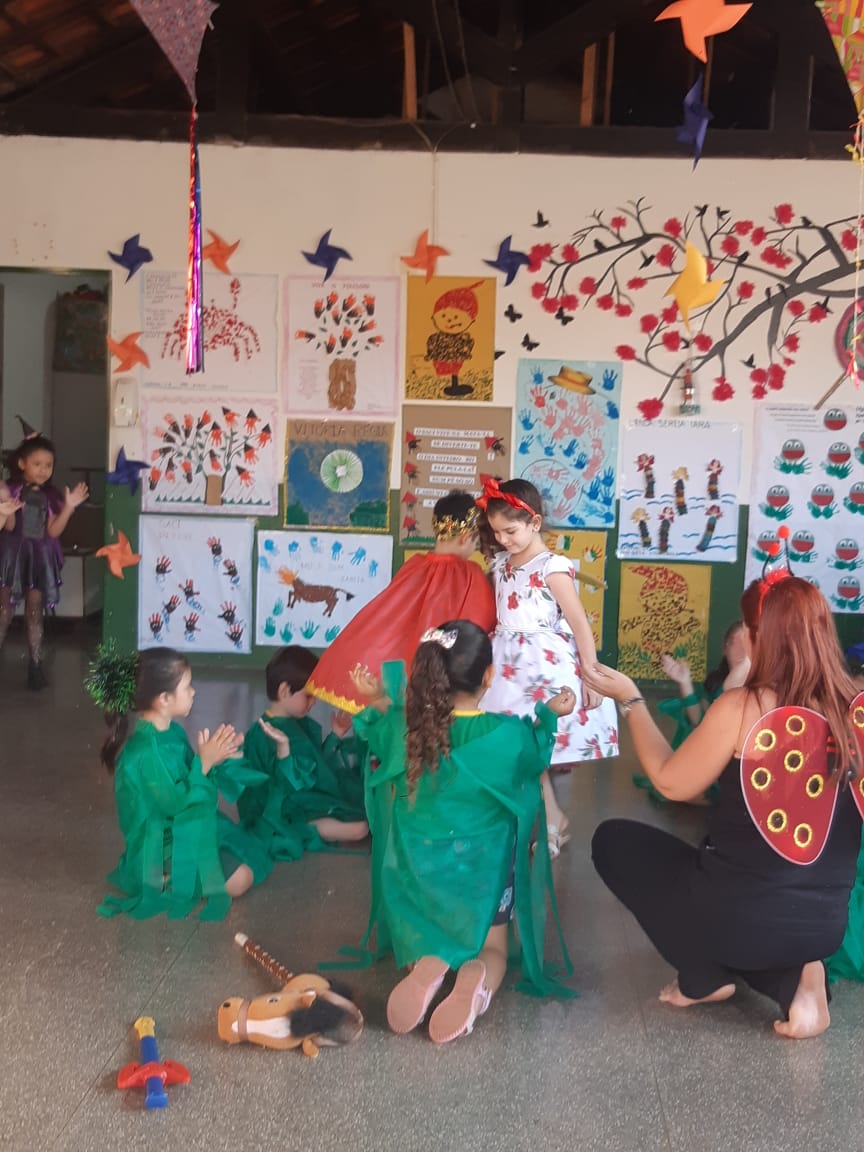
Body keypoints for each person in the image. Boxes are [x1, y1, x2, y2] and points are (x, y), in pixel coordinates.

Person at [585, 575, 863, 1039]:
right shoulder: (854, 707)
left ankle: (704, 978)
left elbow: (671, 782)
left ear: (759, 638)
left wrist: (631, 700)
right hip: (825, 924)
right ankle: (797, 978)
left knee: (614, 841)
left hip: (740, 917)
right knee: (752, 911)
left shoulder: (744, 706)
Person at [348, 621, 577, 1044]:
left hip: (420, 864)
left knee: (425, 931)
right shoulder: (507, 734)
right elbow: (532, 760)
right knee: (493, 948)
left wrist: (379, 700)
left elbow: (381, 737)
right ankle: (477, 980)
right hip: (483, 866)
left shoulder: (409, 730)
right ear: (488, 677)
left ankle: (427, 963)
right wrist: (547, 715)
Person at [477, 475, 618, 857]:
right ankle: (544, 816)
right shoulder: (500, 562)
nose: (503, 539)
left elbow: (578, 621)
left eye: (510, 530)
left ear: (535, 522)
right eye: (497, 532)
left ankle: (550, 817)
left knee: (530, 742)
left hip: (541, 666)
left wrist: (590, 674)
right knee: (512, 742)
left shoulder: (551, 565)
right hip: (505, 664)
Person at [91, 646, 272, 921]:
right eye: (187, 687)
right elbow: (174, 806)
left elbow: (191, 774)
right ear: (164, 698)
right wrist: (205, 762)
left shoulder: (171, 732)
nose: (193, 692)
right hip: (159, 851)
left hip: (181, 831)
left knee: (247, 849)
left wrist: (219, 756)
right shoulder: (145, 752)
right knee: (241, 877)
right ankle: (174, 881)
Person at [306, 490, 495, 714]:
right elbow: (482, 621)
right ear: (466, 538)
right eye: (475, 542)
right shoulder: (470, 573)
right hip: (446, 673)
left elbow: (388, 613)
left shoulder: (414, 565)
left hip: (409, 665)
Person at [239, 645, 368, 856]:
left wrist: (335, 735)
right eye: (308, 696)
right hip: (282, 809)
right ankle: (297, 830)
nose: (314, 702)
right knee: (359, 827)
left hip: (305, 797)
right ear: (284, 691)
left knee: (363, 811)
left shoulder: (295, 722)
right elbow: (286, 785)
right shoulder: (266, 734)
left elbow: (314, 765)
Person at [0, 432, 88, 688]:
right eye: (37, 464)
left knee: (34, 610)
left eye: (48, 465)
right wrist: (6, 503)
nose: (43, 470)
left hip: (39, 557)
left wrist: (69, 507)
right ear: (22, 464)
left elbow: (53, 531)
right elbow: (9, 526)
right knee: (4, 610)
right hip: (12, 557)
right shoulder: (11, 489)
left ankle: (36, 664)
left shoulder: (52, 496)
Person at [633, 620, 750, 803]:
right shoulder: (716, 684)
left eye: (750, 640)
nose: (744, 646)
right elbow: (699, 724)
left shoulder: (761, 687)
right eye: (738, 640)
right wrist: (685, 682)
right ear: (725, 648)